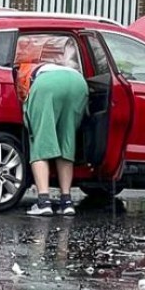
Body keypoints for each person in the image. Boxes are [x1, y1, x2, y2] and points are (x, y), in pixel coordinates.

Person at [18, 38, 88, 216]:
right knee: (67, 141)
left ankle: (44, 202)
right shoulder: (58, 63)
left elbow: (23, 98)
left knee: (40, 141)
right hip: (77, 82)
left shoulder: (22, 68)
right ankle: (67, 202)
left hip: (47, 85)